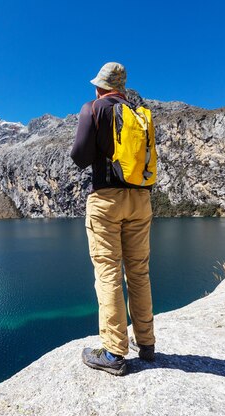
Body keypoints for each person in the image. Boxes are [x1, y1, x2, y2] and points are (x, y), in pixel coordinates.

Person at [70, 62, 156, 376]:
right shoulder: (138, 113)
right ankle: (146, 344)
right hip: (141, 201)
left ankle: (113, 353)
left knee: (108, 273)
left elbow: (79, 157)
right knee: (139, 271)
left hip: (106, 201)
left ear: (100, 86)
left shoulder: (92, 109)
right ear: (122, 87)